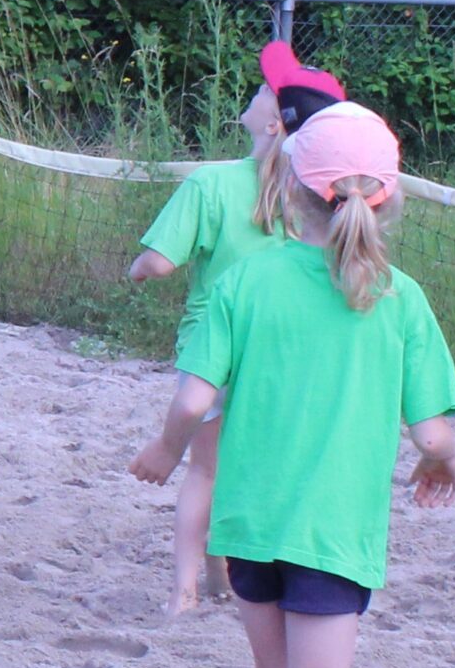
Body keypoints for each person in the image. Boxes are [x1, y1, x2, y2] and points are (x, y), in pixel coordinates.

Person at [129, 102, 455, 668]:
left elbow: (194, 399)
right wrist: (439, 462)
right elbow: (434, 431)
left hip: (247, 526)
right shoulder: (400, 300)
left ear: (288, 186)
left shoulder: (246, 281)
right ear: (387, 199)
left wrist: (168, 451)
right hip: (331, 534)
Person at [129, 41, 344, 612]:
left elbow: (158, 262)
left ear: (274, 122)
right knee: (246, 473)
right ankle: (226, 578)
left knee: (203, 471)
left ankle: (184, 591)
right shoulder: (315, 199)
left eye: (260, 92)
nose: (250, 93)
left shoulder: (213, 183)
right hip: (283, 354)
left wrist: (138, 269)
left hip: (214, 347)